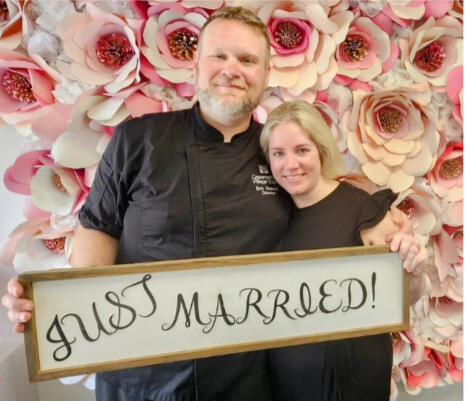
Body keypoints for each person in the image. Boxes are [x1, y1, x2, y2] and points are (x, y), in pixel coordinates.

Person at [3, 7, 418, 401]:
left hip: (247, 382)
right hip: (143, 380)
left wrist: (384, 232)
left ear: (266, 75)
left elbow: (327, 210)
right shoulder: (137, 140)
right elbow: (98, 230)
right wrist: (60, 306)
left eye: (247, 60)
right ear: (195, 66)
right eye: (218, 55)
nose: (231, 69)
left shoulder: (277, 158)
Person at [259, 100, 426, 401]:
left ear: (321, 150)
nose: (290, 164)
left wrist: (414, 271)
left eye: (302, 150)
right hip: (290, 385)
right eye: (278, 153)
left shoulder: (365, 212)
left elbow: (405, 296)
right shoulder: (270, 219)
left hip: (356, 384)